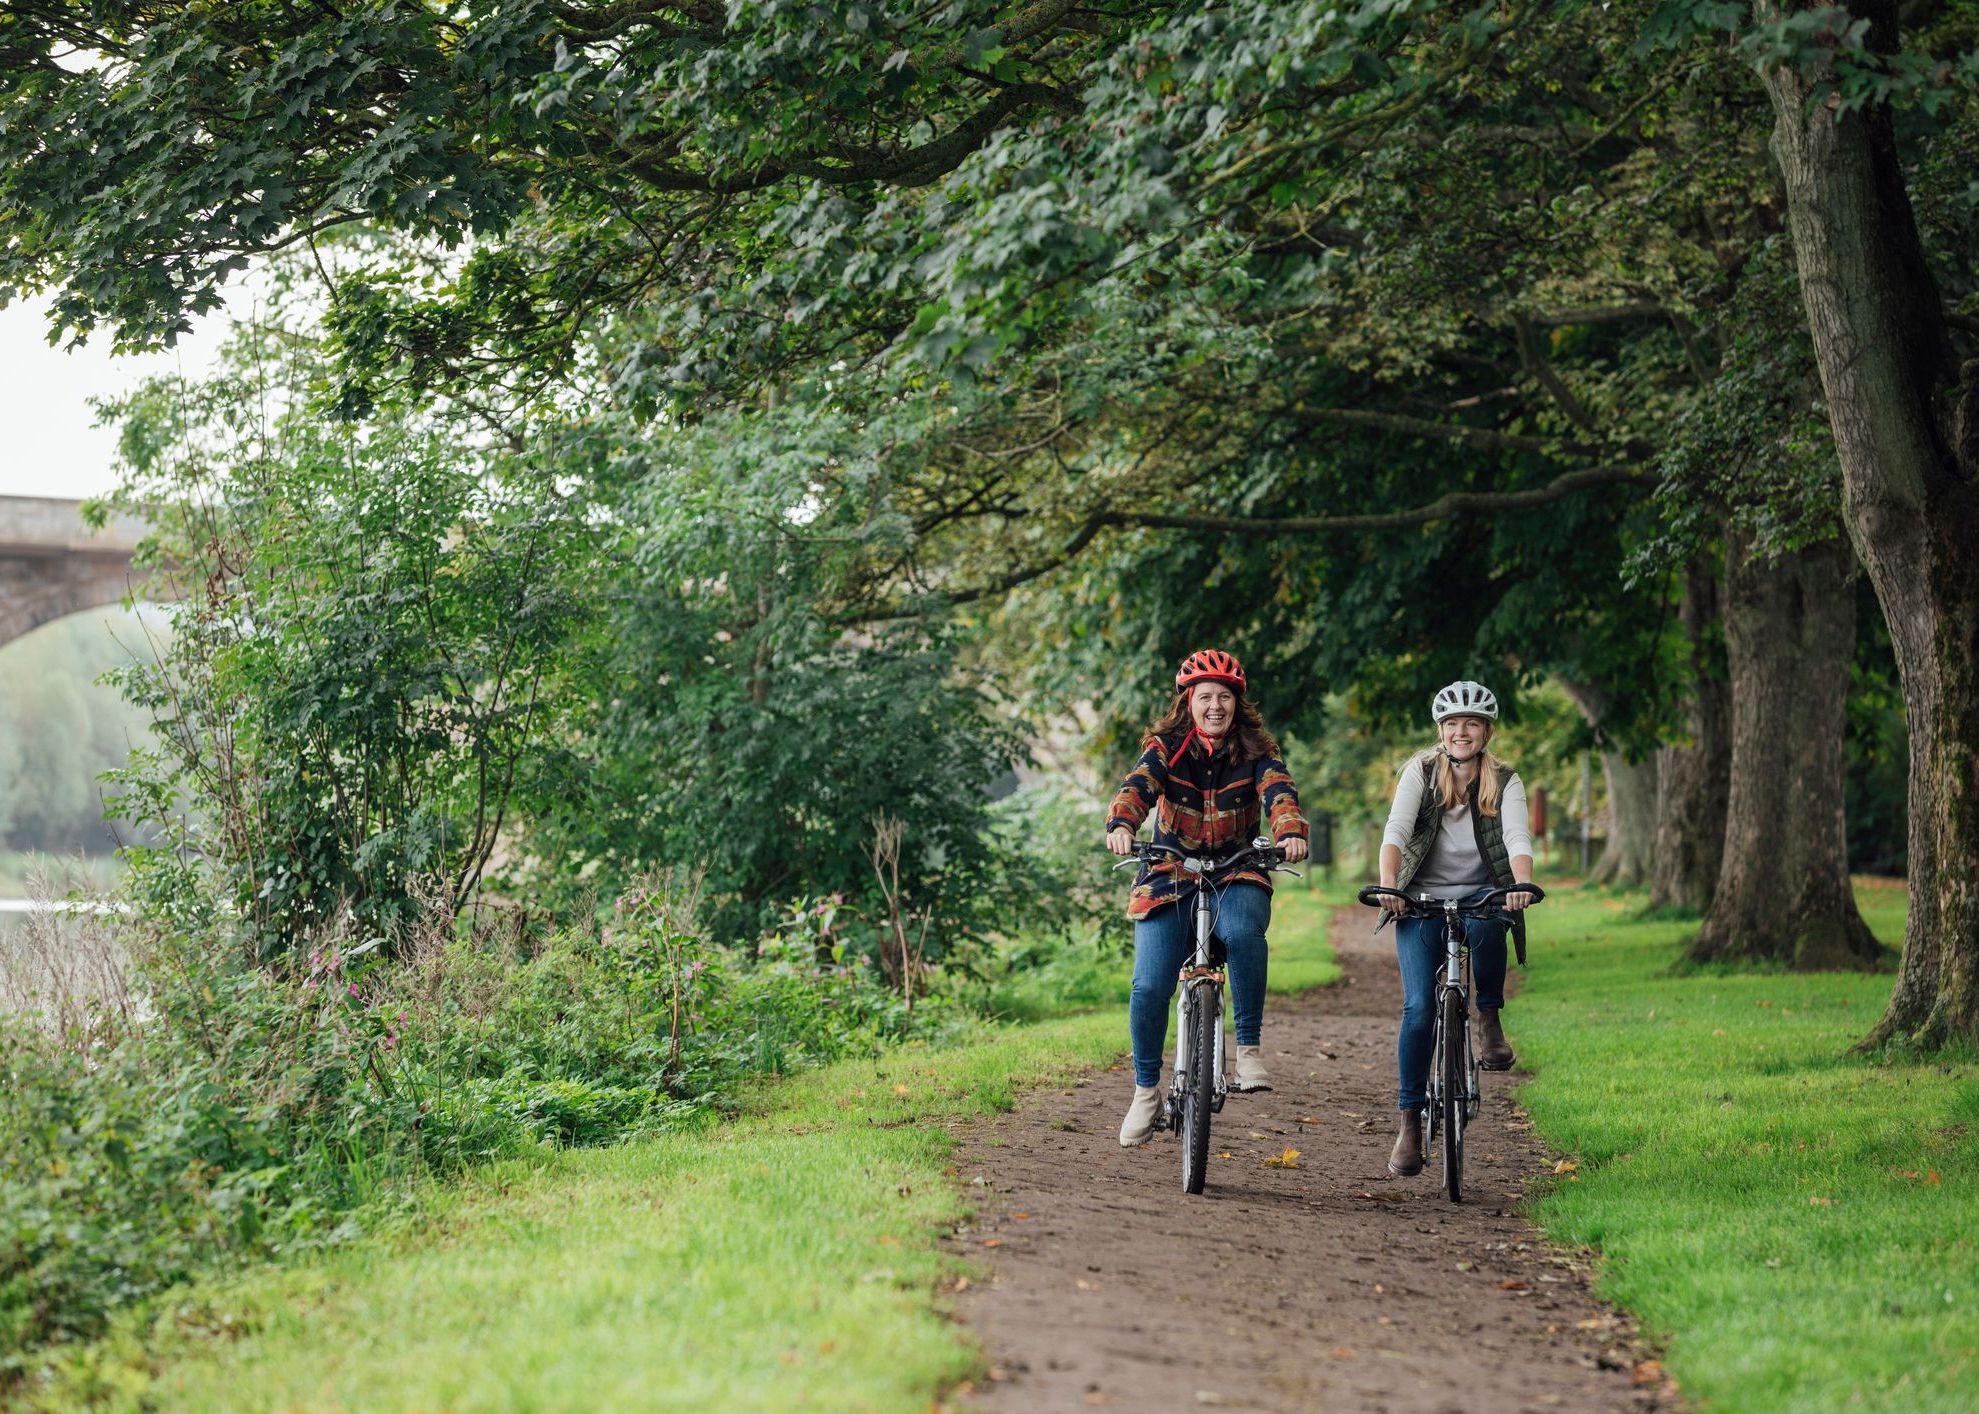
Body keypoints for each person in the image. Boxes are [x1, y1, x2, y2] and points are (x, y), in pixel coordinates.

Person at [1105, 649, 1310, 1147]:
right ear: (1188, 702)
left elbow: (1279, 792)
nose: (1215, 706)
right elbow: (1138, 787)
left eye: (1224, 697)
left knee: (1242, 932)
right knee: (1150, 985)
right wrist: (1123, 823)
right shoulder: (1166, 747)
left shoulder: (1258, 748)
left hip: (1238, 869)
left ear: (1237, 704)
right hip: (1169, 871)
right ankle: (1146, 1090)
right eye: (1205, 697)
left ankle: (1250, 1051)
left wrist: (1290, 831)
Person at [1374, 679, 1536, 1177]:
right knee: (1419, 1008)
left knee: (1489, 928)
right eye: (1451, 724)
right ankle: (1409, 1124)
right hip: (1420, 900)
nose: (1461, 732)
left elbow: (1516, 837)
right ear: (1440, 730)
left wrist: (1522, 884)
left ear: (1486, 731)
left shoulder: (1505, 780)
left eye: (1471, 724)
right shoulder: (1419, 772)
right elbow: (1397, 832)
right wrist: (1388, 886)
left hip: (1482, 895)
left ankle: (1488, 1019)